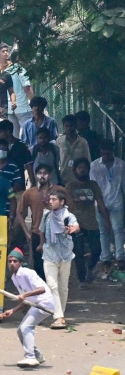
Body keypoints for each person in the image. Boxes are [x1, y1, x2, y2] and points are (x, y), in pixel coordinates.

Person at [0, 248, 54, 368]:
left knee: (26, 327)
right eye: (10, 261)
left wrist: (25, 295)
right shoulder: (15, 277)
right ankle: (37, 355)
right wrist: (13, 310)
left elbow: (42, 289)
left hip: (44, 303)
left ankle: (30, 357)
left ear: (20, 263)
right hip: (35, 304)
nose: (12, 264)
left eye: (15, 261)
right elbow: (26, 299)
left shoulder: (27, 273)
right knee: (20, 330)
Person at [64, 157, 110, 286]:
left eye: (85, 168)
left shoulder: (93, 185)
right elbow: (65, 205)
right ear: (75, 170)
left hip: (92, 222)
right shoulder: (70, 186)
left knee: (97, 249)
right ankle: (82, 278)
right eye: (80, 168)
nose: (82, 170)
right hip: (75, 223)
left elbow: (100, 204)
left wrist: (107, 221)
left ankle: (90, 267)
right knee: (78, 252)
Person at [39, 187, 78, 329]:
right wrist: (41, 244)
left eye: (54, 199)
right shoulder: (46, 215)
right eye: (50, 199)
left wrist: (73, 229)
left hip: (65, 254)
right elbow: (41, 230)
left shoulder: (68, 215)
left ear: (62, 202)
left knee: (63, 287)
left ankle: (60, 313)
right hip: (49, 253)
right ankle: (59, 317)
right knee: (52, 285)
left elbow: (76, 226)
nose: (51, 202)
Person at [90, 139, 125, 271]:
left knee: (118, 229)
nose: (106, 156)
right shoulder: (94, 166)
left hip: (117, 201)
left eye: (108, 154)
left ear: (112, 152)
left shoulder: (121, 165)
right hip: (100, 201)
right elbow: (94, 186)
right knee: (103, 231)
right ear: (100, 152)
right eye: (104, 153)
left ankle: (120, 257)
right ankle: (106, 258)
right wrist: (99, 204)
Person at [19, 163, 54, 276]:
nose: (42, 176)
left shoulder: (59, 191)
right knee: (39, 266)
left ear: (50, 175)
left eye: (45, 173)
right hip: (36, 233)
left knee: (54, 264)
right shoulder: (30, 193)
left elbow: (69, 208)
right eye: (39, 173)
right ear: (35, 175)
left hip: (55, 233)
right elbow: (19, 212)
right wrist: (26, 232)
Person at [54, 114, 91, 185]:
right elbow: (56, 160)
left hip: (79, 178)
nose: (69, 128)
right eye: (66, 126)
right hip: (63, 178)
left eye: (71, 126)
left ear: (75, 126)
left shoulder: (83, 142)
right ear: (63, 127)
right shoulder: (59, 141)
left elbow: (87, 160)